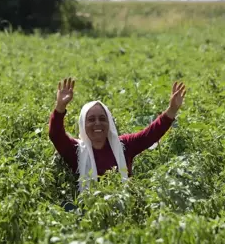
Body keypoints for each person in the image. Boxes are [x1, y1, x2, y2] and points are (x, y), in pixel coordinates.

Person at [49, 78, 186, 191]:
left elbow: (149, 135)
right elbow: (56, 135)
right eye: (91, 120)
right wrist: (60, 107)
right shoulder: (76, 151)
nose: (97, 123)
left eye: (102, 119)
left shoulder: (124, 145)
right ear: (83, 125)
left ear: (109, 123)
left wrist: (172, 110)